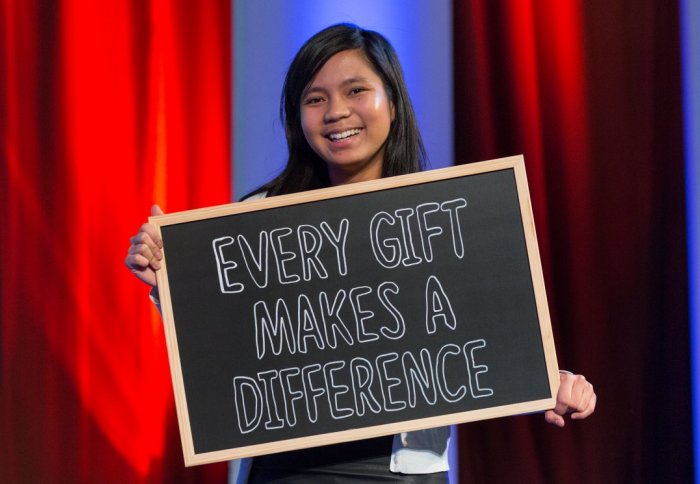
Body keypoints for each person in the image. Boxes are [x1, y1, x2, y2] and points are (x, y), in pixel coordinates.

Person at [125, 23, 597, 483]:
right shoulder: (260, 219)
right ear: (297, 118)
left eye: (356, 91)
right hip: (285, 470)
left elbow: (483, 338)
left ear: (391, 102)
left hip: (403, 469)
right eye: (315, 98)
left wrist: (545, 381)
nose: (336, 112)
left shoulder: (444, 220)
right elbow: (230, 346)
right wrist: (170, 282)